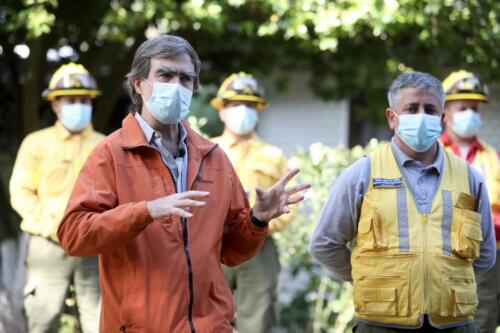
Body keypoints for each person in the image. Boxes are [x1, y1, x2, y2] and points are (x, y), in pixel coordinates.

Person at [56, 35, 309, 333]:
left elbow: (230, 251)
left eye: (185, 79)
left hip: (209, 326)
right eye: (165, 75)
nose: (176, 86)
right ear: (139, 83)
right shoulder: (110, 154)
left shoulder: (213, 157)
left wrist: (257, 219)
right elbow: (74, 235)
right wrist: (145, 211)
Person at [310, 71, 495, 332]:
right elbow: (324, 244)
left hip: (454, 324)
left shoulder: (470, 178)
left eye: (430, 109)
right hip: (381, 324)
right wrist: (371, 279)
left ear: (442, 118)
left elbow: (485, 254)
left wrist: (442, 282)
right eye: (411, 108)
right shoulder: (362, 174)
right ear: (392, 118)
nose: (421, 115)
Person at [9, 62, 104, 333]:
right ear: (55, 105)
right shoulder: (36, 143)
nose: (78, 105)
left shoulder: (105, 145)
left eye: (84, 100)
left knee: (99, 319)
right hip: (47, 245)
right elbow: (21, 191)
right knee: (43, 317)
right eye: (70, 100)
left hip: (94, 244)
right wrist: (52, 227)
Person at [211, 72, 293, 332]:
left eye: (249, 105)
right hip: (213, 244)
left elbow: (289, 206)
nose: (242, 111)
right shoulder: (207, 151)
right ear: (222, 111)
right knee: (206, 314)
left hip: (260, 247)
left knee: (257, 320)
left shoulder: (273, 156)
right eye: (236, 105)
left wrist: (262, 223)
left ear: (259, 112)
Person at [440, 70, 500, 333]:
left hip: (489, 260)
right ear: (444, 112)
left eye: (475, 109)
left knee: (484, 322)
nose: (471, 114)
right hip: (441, 259)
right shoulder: (430, 155)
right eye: (463, 108)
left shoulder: (493, 156)